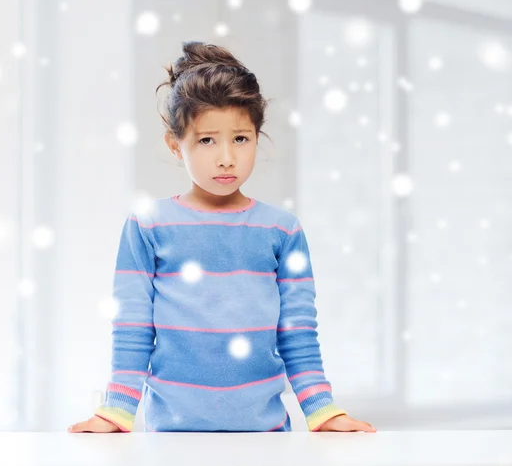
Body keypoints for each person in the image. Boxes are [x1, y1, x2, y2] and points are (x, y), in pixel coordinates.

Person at [68, 41, 376, 434]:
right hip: (171, 443)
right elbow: (132, 327)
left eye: (241, 139)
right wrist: (115, 413)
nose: (226, 157)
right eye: (207, 140)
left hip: (266, 443)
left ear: (257, 138)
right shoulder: (147, 227)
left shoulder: (282, 230)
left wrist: (323, 411)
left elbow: (298, 331)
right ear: (175, 145)